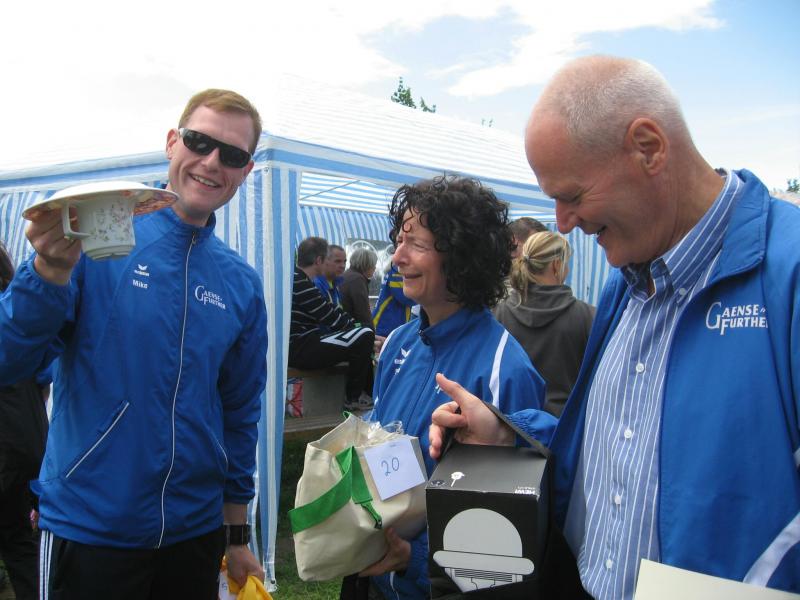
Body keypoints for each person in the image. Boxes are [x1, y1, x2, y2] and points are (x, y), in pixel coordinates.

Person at [429, 56, 800, 598]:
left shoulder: (786, 274)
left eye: (572, 196)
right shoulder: (622, 287)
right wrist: (506, 435)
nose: (562, 223)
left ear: (648, 148)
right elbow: (606, 460)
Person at [0, 89, 269, 598]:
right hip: (91, 525)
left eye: (232, 154)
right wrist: (47, 272)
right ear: (172, 143)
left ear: (246, 171)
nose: (212, 162)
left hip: (193, 532)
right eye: (199, 142)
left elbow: (239, 412)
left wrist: (236, 535)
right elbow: (9, 358)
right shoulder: (98, 243)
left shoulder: (240, 283)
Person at [360, 176, 557, 599]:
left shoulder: (504, 368)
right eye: (398, 241)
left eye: (416, 244)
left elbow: (504, 529)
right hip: (375, 582)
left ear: (462, 257)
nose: (397, 257)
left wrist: (413, 558)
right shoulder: (397, 343)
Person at [493, 231, 595, 416]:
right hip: (563, 424)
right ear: (556, 265)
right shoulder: (587, 316)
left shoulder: (499, 312)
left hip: (511, 422)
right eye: (566, 263)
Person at [0, 241, 49, 600]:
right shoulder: (21, 311)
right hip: (29, 446)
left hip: (6, 447)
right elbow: (44, 380)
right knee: (18, 540)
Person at [289, 237, 375, 410]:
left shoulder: (298, 279)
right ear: (319, 261)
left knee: (364, 336)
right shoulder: (300, 282)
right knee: (365, 335)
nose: (341, 266)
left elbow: (333, 314)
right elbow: (332, 317)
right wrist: (363, 331)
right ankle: (354, 398)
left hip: (300, 344)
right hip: (300, 348)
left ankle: (362, 395)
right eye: (332, 260)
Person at [371, 261, 417, 339]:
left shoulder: (392, 271)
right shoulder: (396, 272)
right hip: (387, 320)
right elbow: (405, 298)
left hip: (389, 318)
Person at [339, 247, 378, 327]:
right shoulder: (357, 280)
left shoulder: (347, 275)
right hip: (351, 326)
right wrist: (371, 330)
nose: (375, 268)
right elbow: (363, 313)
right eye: (373, 265)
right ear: (366, 265)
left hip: (343, 324)